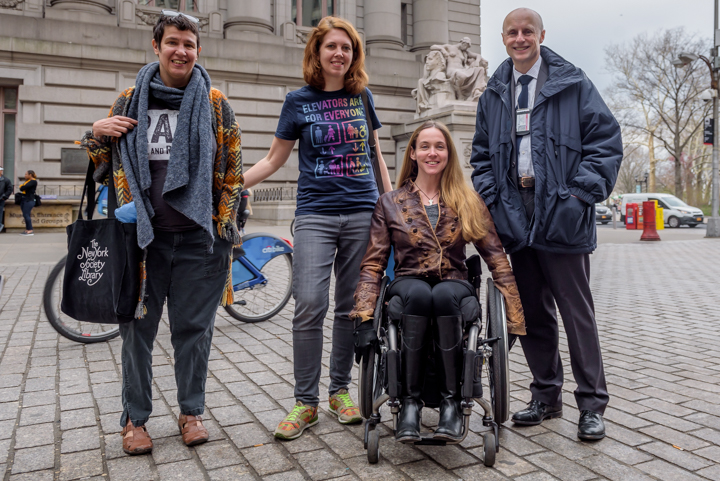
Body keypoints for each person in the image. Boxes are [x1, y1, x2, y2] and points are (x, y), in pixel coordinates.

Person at [79, 11, 242, 455]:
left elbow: (232, 170)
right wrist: (94, 133)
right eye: (173, 42)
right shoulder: (129, 100)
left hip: (198, 240)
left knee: (195, 330)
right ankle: (135, 420)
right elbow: (99, 167)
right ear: (157, 46)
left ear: (198, 50)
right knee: (137, 331)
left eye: (189, 44)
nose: (181, 51)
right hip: (140, 240)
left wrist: (223, 227)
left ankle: (191, 411)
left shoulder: (214, 102)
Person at [469, 8, 623, 441]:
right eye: (512, 33)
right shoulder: (494, 92)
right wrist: (494, 198)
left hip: (562, 208)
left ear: (541, 35)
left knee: (578, 314)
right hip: (514, 211)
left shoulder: (573, 84)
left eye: (527, 32)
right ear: (503, 39)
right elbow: (480, 155)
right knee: (533, 311)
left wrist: (578, 195)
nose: (520, 39)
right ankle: (546, 397)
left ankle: (592, 405)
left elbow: (606, 141)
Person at [241, 16, 392, 440]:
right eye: (332, 47)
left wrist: (392, 203)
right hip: (315, 215)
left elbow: (377, 155)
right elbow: (274, 159)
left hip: (364, 212)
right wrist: (231, 185)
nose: (340, 54)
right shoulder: (297, 101)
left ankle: (339, 391)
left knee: (350, 305)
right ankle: (305, 402)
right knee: (309, 303)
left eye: (347, 47)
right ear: (317, 53)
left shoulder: (362, 98)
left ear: (354, 55)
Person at [351, 120, 526, 442]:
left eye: (440, 146)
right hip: (408, 280)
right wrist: (363, 318)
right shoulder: (389, 203)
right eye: (425, 146)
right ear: (414, 153)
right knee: (417, 294)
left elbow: (497, 259)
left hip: (455, 281)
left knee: (445, 295)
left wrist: (513, 317)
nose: (433, 152)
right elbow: (373, 264)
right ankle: (409, 404)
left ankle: (451, 403)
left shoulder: (467, 199)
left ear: (448, 154)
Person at [18, 170, 37, 236]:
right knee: (25, 215)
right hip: (24, 199)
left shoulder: (33, 181)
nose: (25, 175)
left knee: (26, 215)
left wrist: (21, 186)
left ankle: (30, 230)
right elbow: (22, 188)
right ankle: (27, 229)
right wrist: (21, 187)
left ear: (30, 175)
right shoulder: (27, 181)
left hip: (29, 200)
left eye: (26, 174)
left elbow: (22, 187)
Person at [0, 166, 13, 232]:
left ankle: (0, 225)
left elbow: (10, 189)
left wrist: (4, 196)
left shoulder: (5, 180)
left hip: (0, 199)